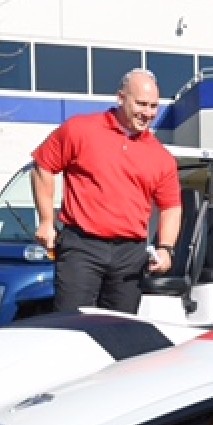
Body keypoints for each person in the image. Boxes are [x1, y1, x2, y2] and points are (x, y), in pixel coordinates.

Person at [31, 68, 181, 314]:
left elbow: (171, 207)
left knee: (119, 333)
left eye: (153, 106)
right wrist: (47, 221)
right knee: (72, 327)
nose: (148, 113)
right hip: (81, 247)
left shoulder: (161, 157)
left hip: (130, 255)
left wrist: (165, 248)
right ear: (121, 98)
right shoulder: (80, 129)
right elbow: (43, 166)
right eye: (141, 104)